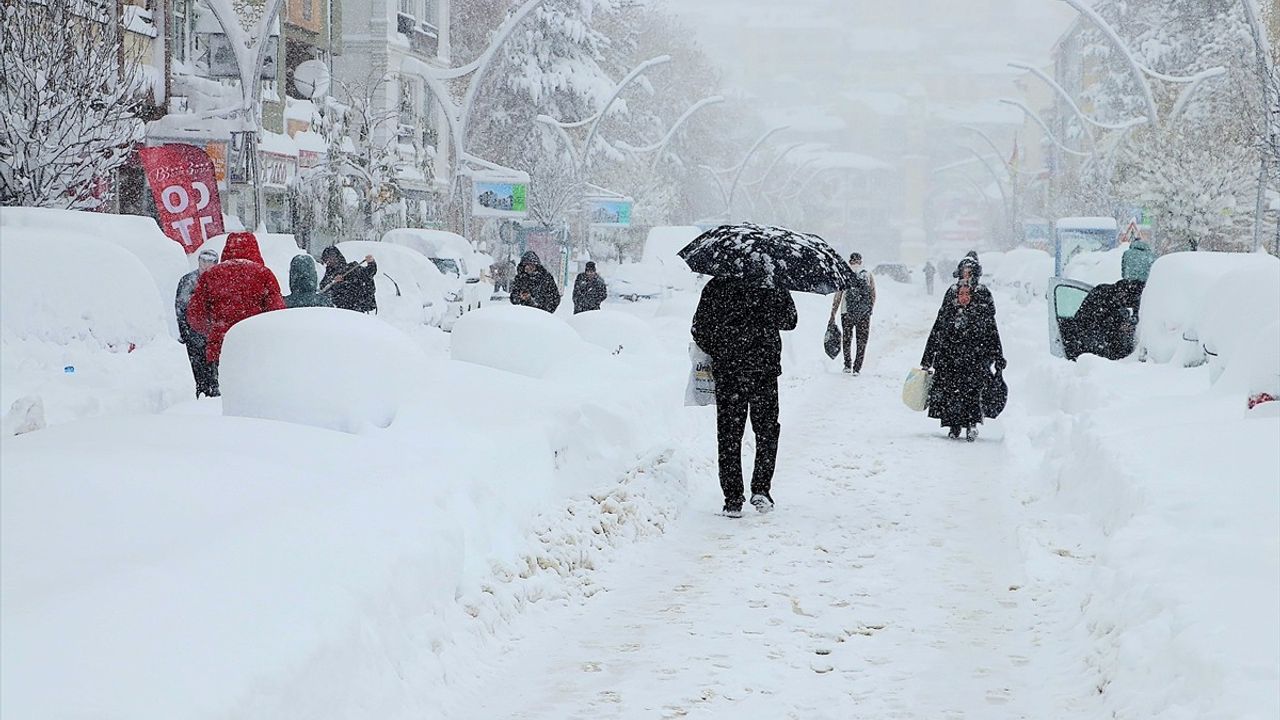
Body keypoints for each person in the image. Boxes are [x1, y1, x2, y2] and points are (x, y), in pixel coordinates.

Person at [692, 270, 798, 517]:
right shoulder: (772, 284)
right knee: (767, 430)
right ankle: (761, 489)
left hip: (729, 371)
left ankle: (732, 499)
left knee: (729, 434)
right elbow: (790, 320)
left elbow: (698, 328)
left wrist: (722, 347)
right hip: (764, 369)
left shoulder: (717, 285)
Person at [186, 233, 286, 396]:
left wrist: (213, 330)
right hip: (255, 348)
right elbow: (277, 315)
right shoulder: (264, 275)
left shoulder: (210, 276)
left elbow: (195, 316)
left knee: (222, 398)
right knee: (254, 396)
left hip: (221, 348)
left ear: (226, 249)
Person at [921, 256, 1005, 442]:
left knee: (972, 391)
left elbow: (991, 327)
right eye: (963, 271)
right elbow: (939, 326)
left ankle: (972, 424)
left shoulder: (983, 295)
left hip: (975, 356)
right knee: (950, 392)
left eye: (970, 272)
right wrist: (928, 357)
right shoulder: (951, 293)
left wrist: (997, 355)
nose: (966, 275)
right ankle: (954, 424)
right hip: (949, 356)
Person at [175, 248, 219, 397]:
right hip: (194, 334)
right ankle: (202, 393)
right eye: (203, 261)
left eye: (210, 262)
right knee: (199, 370)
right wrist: (185, 333)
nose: (206, 265)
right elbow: (180, 307)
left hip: (214, 333)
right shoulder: (188, 281)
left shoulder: (220, 279)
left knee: (215, 369)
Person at [827, 252, 876, 375]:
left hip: (846, 312)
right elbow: (873, 294)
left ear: (850, 261)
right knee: (862, 341)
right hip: (864, 314)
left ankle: (847, 365)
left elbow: (838, 296)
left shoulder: (844, 274)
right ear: (860, 261)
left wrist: (833, 314)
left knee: (847, 339)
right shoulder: (867, 274)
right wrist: (868, 309)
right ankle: (857, 368)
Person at [319, 246, 378, 313]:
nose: (330, 261)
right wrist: (333, 281)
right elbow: (323, 288)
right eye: (327, 259)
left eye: (332, 257)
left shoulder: (351, 268)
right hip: (338, 311)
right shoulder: (329, 274)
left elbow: (368, 273)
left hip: (356, 308)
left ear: (338, 256)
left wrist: (371, 263)